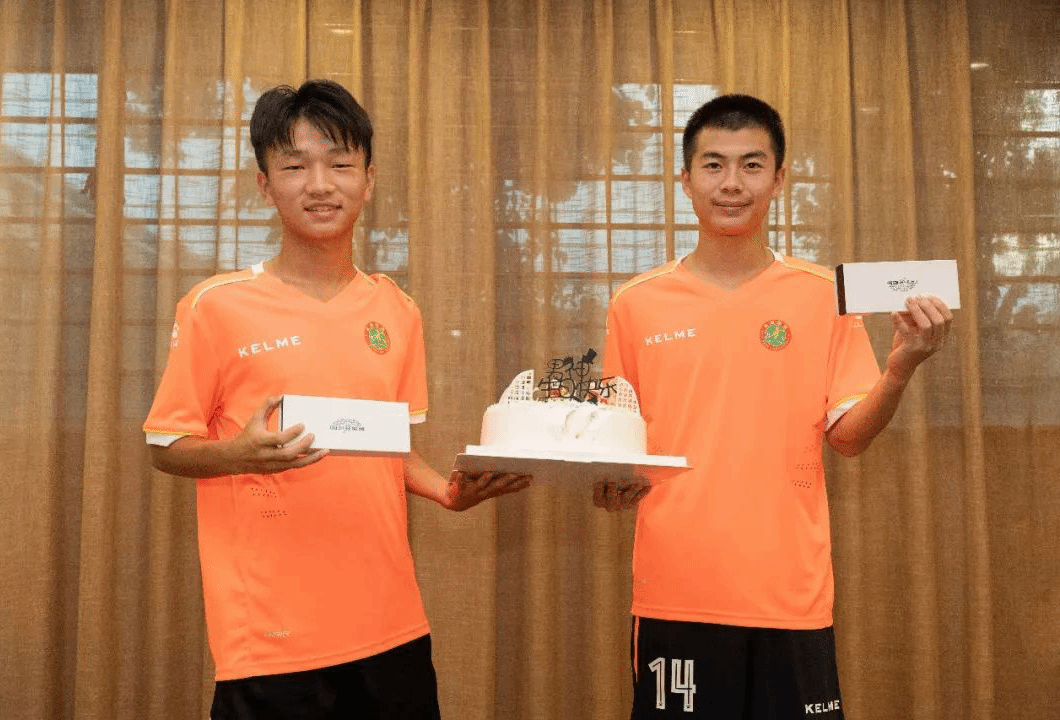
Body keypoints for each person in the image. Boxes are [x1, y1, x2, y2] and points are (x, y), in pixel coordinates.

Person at [143, 79, 529, 719]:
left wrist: (446, 492)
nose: (320, 185)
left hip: (392, 628)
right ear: (265, 186)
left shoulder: (398, 310)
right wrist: (238, 454)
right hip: (272, 642)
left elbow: (386, 446)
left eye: (340, 165)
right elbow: (165, 445)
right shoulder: (216, 306)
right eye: (295, 166)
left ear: (368, 181)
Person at [592, 94, 953, 719]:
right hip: (677, 593)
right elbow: (614, 444)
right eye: (713, 165)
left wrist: (901, 367)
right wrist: (608, 480)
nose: (732, 183)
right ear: (685, 180)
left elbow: (850, 438)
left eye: (752, 165)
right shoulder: (635, 303)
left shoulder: (824, 296)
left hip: (791, 597)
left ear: (780, 179)